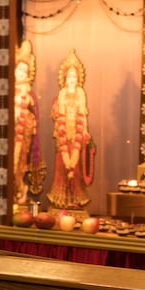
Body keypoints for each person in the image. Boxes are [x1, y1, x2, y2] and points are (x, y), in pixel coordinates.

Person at [47, 49, 95, 208]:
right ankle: (60, 201)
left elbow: (83, 114)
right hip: (62, 136)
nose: (72, 79)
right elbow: (59, 115)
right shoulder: (61, 94)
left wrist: (85, 131)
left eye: (74, 76)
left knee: (75, 168)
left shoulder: (81, 93)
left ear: (78, 78)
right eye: (69, 76)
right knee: (61, 167)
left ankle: (75, 200)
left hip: (76, 136)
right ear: (65, 78)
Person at [13, 40, 45, 206]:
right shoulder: (6, 89)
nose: (21, 73)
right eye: (19, 69)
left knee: (18, 165)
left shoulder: (28, 93)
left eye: (25, 71)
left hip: (22, 135)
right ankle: (15, 192)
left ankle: (20, 190)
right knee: (8, 166)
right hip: (8, 135)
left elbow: (34, 115)